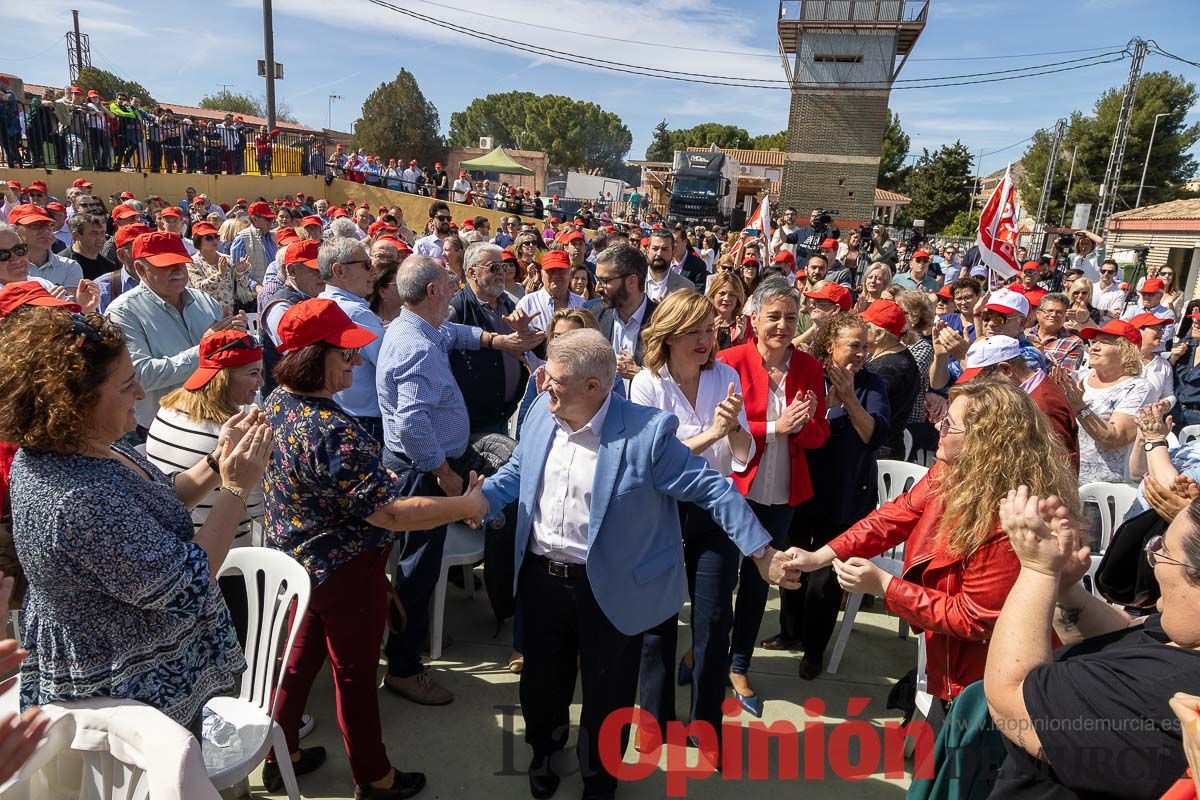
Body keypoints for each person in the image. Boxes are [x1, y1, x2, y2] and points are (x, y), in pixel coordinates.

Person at [477, 328, 804, 799]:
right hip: (542, 580)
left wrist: (761, 552)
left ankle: (599, 778)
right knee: (542, 687)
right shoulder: (539, 415)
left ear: (594, 387)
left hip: (610, 588)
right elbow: (515, 474)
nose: (544, 382)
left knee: (608, 696)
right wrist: (473, 501)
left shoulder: (647, 432)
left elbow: (713, 488)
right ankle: (544, 753)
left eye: (556, 377)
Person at [0, 307, 272, 736]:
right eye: (126, 386)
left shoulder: (88, 447)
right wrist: (236, 489)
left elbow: (163, 496)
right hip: (128, 695)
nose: (141, 395)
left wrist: (218, 462)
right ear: (73, 403)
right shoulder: (78, 500)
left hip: (145, 676)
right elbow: (192, 579)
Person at [261, 298, 489, 798]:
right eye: (345, 354)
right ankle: (375, 777)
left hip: (301, 564)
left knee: (300, 661)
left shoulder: (277, 401)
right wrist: (463, 504)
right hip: (345, 571)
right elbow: (389, 514)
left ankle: (282, 754)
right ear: (312, 358)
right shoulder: (333, 431)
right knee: (356, 677)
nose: (357, 362)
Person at [792, 380, 1078, 705]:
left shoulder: (1009, 518)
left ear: (984, 441)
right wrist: (822, 556)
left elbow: (972, 618)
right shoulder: (953, 471)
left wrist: (884, 585)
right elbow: (898, 513)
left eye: (950, 424)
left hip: (985, 682)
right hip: (949, 658)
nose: (937, 427)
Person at [376, 256, 540, 705]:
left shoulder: (421, 328)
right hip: (424, 471)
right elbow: (411, 423)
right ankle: (405, 667)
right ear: (432, 292)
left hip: (431, 465)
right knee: (417, 569)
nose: (453, 290)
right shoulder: (416, 346)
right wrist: (444, 474)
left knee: (437, 552)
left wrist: (497, 340)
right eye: (448, 284)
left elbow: (456, 333)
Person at [986, 487, 1200, 799]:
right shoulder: (1186, 632)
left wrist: (1038, 570)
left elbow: (1009, 701)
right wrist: (1066, 587)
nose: (1153, 561)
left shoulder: (1169, 699)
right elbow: (1128, 635)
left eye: (1163, 551)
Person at [631, 291, 754, 753]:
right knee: (657, 623)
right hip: (660, 514)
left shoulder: (725, 376)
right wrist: (713, 433)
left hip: (714, 511)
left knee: (714, 621)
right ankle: (654, 719)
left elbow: (743, 455)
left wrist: (736, 428)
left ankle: (707, 728)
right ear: (669, 332)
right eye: (694, 330)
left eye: (710, 329)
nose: (705, 339)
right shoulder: (646, 384)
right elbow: (656, 459)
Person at [718, 278, 830, 715]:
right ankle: (706, 653)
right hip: (734, 491)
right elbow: (720, 428)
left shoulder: (809, 368)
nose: (782, 326)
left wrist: (802, 428)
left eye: (789, 317)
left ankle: (739, 662)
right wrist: (773, 428)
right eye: (774, 317)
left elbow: (820, 434)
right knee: (721, 579)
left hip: (783, 493)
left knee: (758, 583)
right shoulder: (729, 361)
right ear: (754, 319)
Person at [763, 313, 892, 677]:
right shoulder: (809, 378)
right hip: (803, 491)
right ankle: (790, 632)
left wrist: (850, 400)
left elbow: (874, 436)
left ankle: (814, 651)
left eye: (866, 346)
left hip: (847, 497)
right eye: (854, 345)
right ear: (830, 347)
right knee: (791, 565)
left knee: (824, 581)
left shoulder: (873, 385)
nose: (861, 353)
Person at [146, 330, 266, 645]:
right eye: (252, 373)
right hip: (224, 567)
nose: (259, 382)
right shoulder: (231, 433)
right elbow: (258, 507)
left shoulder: (166, 409)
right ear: (224, 378)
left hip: (174, 558)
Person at [106, 232, 240, 437]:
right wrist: (205, 349)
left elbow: (225, 362)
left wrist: (238, 340)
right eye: (166, 265)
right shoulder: (123, 312)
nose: (177, 270)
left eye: (181, 262)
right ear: (140, 269)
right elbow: (140, 375)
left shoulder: (205, 301)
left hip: (215, 420)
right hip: (163, 429)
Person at [957, 335, 1080, 472]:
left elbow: (1061, 464)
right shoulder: (1031, 394)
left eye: (981, 377)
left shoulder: (1043, 403)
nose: (978, 385)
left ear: (1005, 370)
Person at [447, 242, 530, 436]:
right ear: (472, 272)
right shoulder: (456, 309)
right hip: (473, 421)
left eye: (503, 267)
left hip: (505, 413)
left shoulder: (507, 303)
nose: (501, 272)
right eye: (494, 267)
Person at [1054, 319, 1150, 485]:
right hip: (1063, 480)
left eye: (1104, 342)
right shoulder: (1078, 377)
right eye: (1093, 342)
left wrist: (1080, 407)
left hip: (1102, 489)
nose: (1093, 348)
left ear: (1126, 351)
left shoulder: (1137, 387)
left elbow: (1114, 438)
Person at [316, 237, 387, 440]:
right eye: (366, 265)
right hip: (368, 420)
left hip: (342, 412)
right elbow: (389, 360)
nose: (373, 271)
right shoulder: (355, 311)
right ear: (339, 271)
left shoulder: (321, 302)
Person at [862, 299, 920, 459]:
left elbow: (862, 413)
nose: (861, 330)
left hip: (877, 456)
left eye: (866, 326)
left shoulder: (884, 369)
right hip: (890, 447)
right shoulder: (899, 355)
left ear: (879, 334)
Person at [594, 243, 656, 390]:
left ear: (631, 282)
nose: (597, 288)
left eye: (605, 281)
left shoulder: (662, 322)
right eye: (597, 280)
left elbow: (676, 380)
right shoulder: (593, 314)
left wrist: (640, 374)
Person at [188, 221, 254, 315]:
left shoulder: (227, 259)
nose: (215, 241)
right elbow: (199, 288)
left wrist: (239, 272)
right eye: (209, 238)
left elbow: (241, 286)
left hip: (230, 314)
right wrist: (219, 275)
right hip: (207, 315)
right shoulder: (192, 263)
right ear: (198, 240)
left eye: (216, 236)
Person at [515, 249, 584, 336]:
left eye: (560, 270)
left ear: (569, 273)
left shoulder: (581, 303)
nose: (556, 275)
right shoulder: (527, 303)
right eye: (550, 271)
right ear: (542, 274)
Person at [1026, 292, 1086, 372]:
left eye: (1059, 312)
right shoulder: (1024, 335)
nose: (1054, 315)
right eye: (1049, 311)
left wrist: (1042, 356)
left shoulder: (1074, 342)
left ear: (1065, 316)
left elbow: (1065, 377)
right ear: (1038, 314)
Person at [1129, 311, 1177, 407]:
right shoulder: (1118, 359)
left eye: (1162, 328)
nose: (1162, 332)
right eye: (1157, 328)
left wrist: (1166, 403)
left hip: (1148, 420)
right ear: (1138, 331)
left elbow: (1169, 395)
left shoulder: (1163, 364)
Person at [706, 271, 750, 351]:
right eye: (722, 293)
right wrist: (710, 334)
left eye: (732, 294)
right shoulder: (703, 322)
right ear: (713, 295)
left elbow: (748, 354)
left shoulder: (747, 323)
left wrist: (741, 338)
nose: (726, 298)